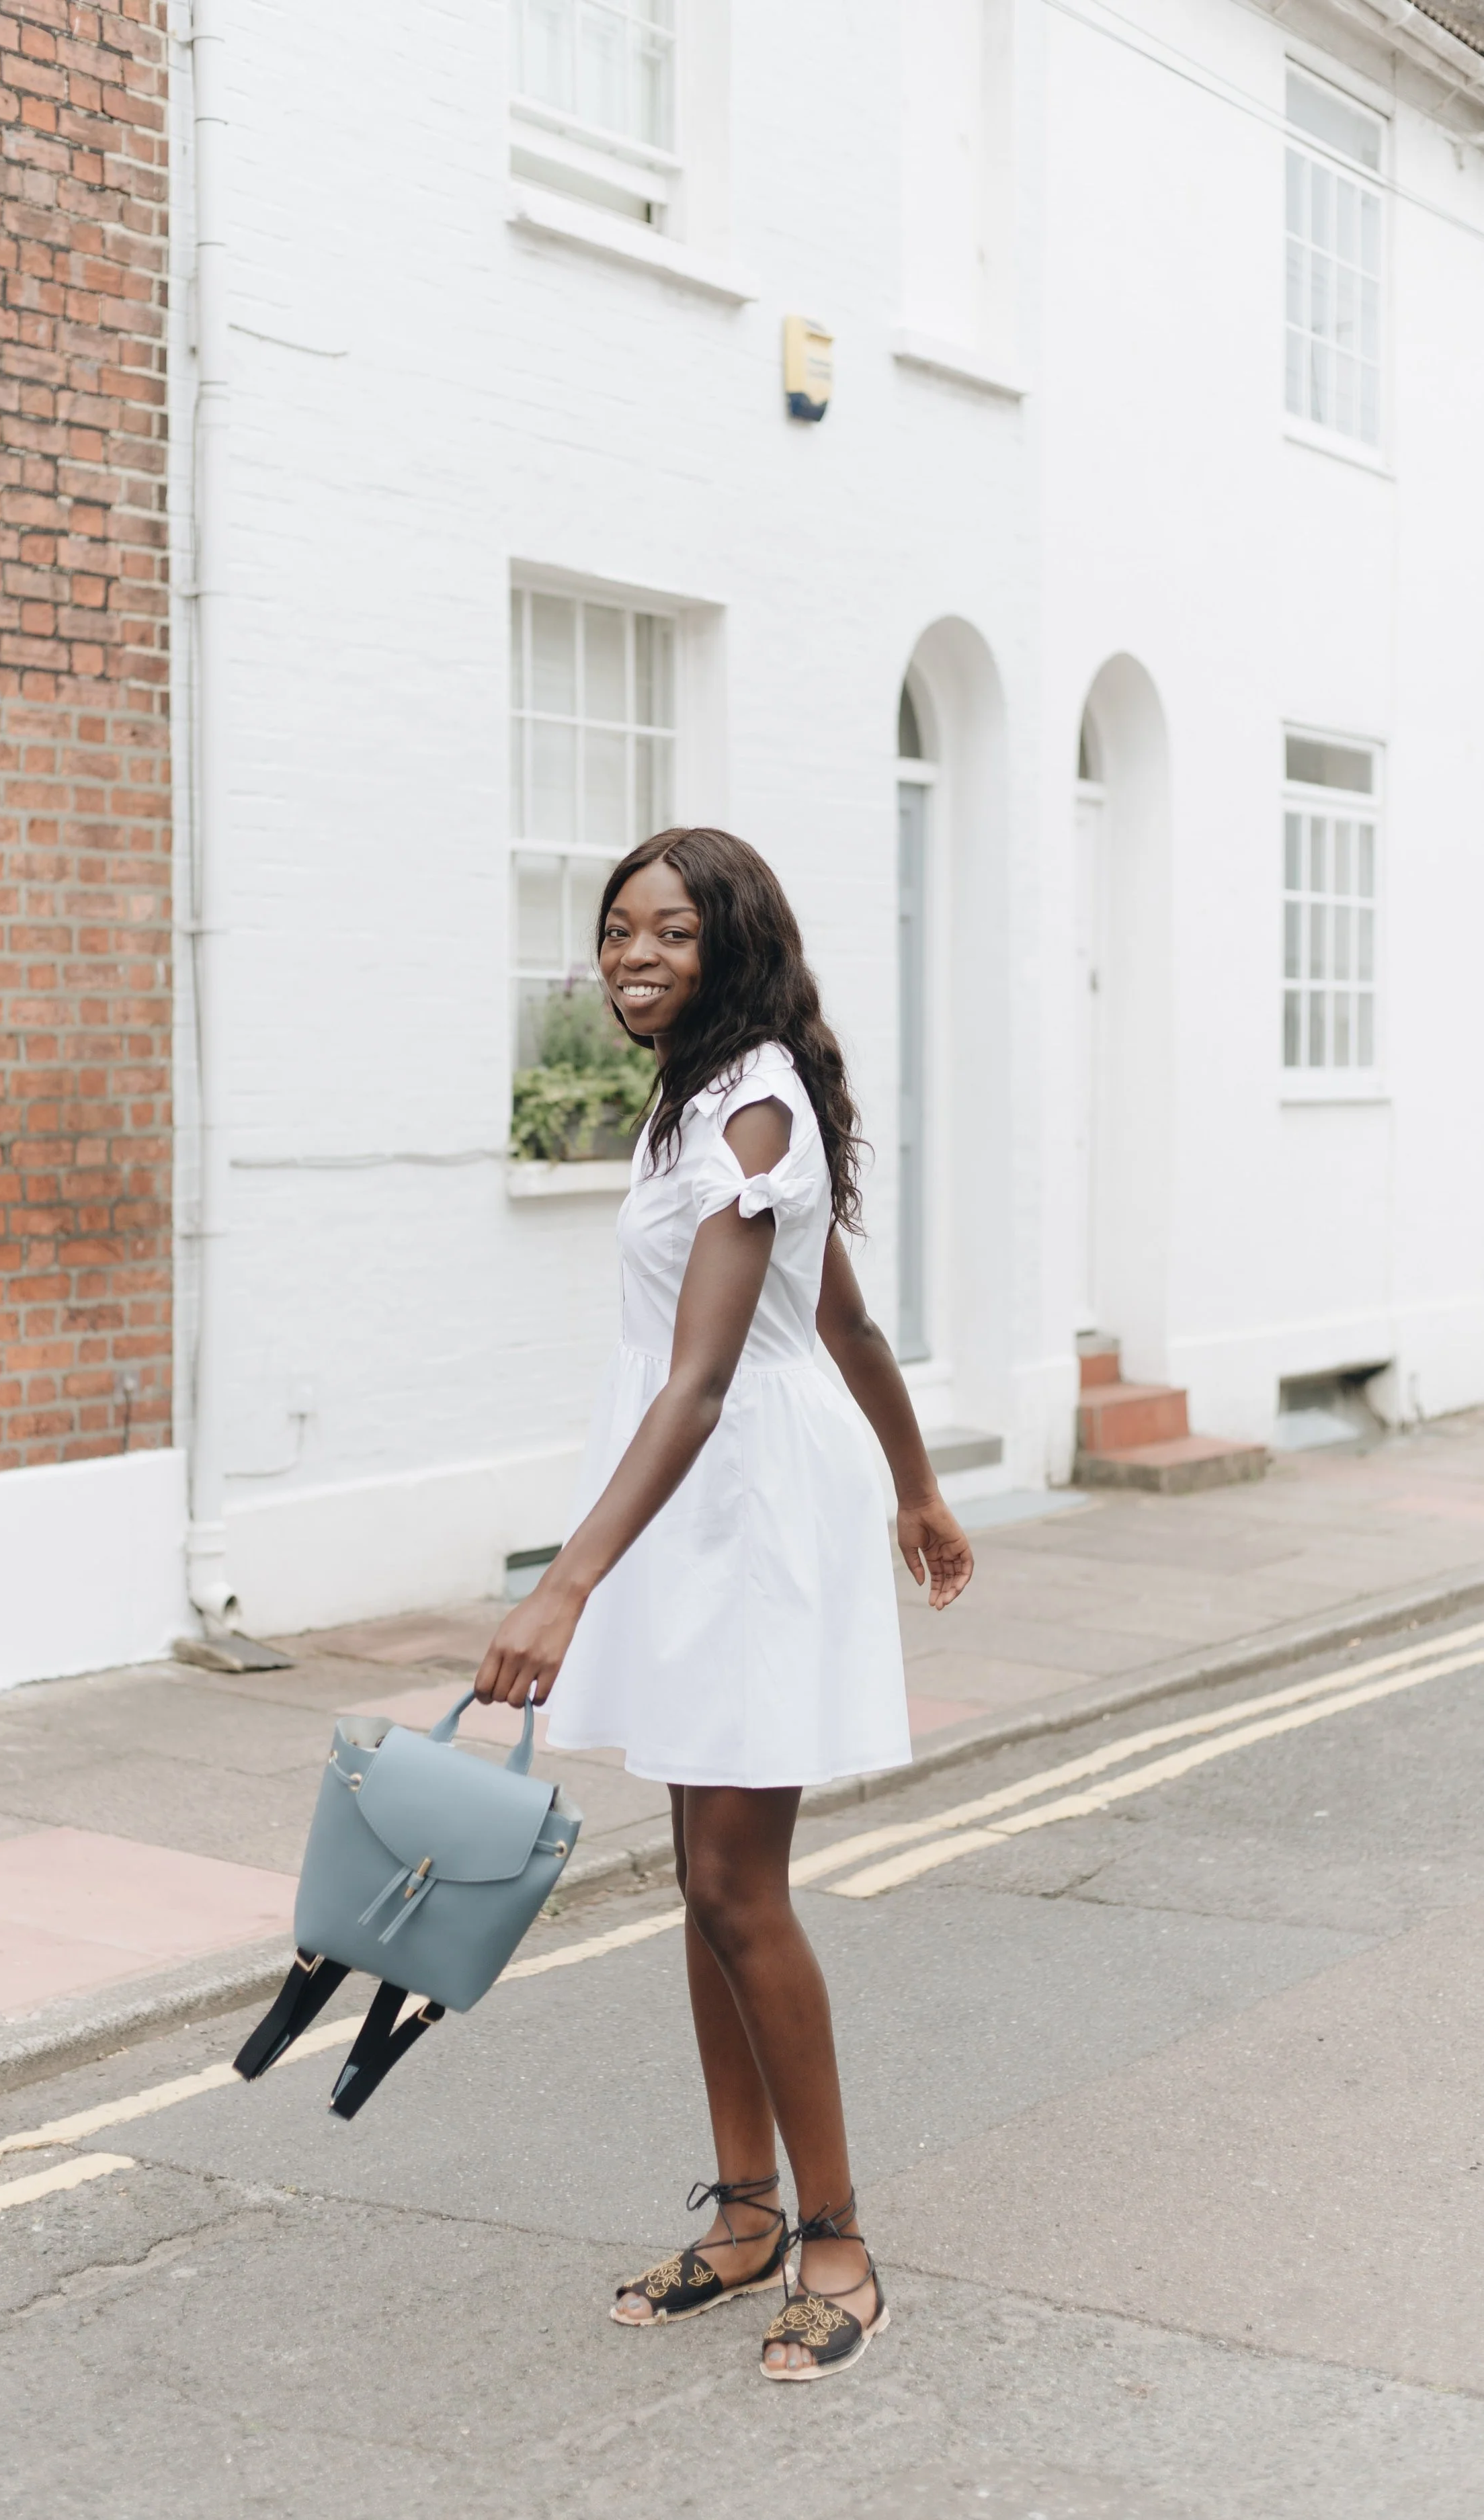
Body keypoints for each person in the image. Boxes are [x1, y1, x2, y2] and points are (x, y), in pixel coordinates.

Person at [474, 826, 974, 2381]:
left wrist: (564, 1582)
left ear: (732, 945)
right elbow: (845, 1317)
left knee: (737, 1884)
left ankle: (836, 2240)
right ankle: (745, 2212)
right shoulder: (703, 1101)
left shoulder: (750, 1107)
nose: (632, 953)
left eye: (669, 931)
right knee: (703, 1874)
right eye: (616, 928)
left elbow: (702, 1380)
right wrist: (919, 1479)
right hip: (703, 1497)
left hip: (742, 1504)